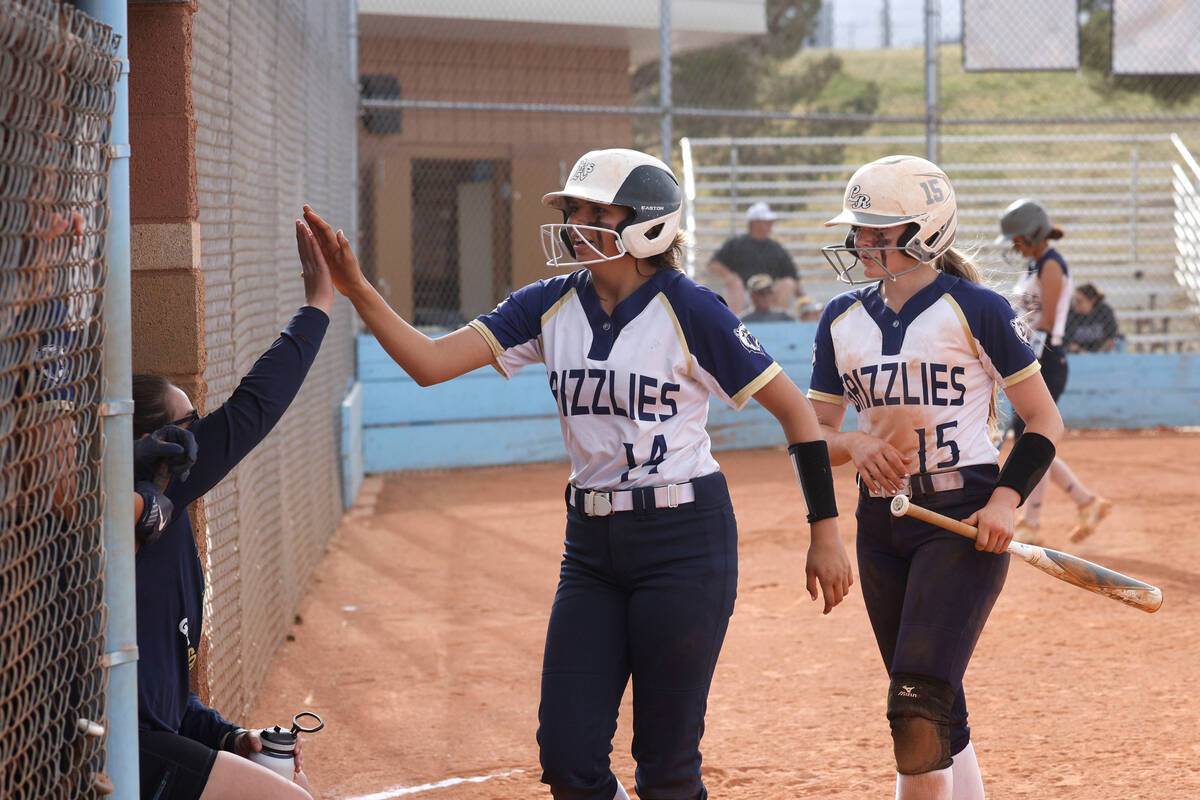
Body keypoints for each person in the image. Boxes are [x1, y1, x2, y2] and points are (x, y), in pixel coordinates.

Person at [299, 147, 853, 800]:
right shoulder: (547, 304)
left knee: (667, 766)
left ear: (646, 223)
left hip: (685, 542)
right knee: (567, 759)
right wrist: (357, 288)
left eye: (595, 211)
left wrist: (825, 533)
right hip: (590, 548)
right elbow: (428, 362)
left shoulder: (691, 308)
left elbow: (796, 414)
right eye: (573, 211)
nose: (575, 224)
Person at [811, 156, 1064, 800]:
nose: (859, 243)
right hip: (881, 526)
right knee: (934, 702)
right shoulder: (841, 318)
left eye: (878, 232)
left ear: (925, 232)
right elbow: (812, 435)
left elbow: (1042, 421)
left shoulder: (975, 308)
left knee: (915, 708)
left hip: (961, 519)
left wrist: (1006, 500)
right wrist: (854, 440)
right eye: (858, 231)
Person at [132, 219, 335, 800]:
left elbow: (171, 702)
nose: (199, 436)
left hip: (153, 741)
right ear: (151, 441)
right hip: (123, 751)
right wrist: (318, 303)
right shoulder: (131, 515)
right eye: (186, 424)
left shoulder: (169, 514)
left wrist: (233, 737)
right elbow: (253, 409)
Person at [995, 199, 1112, 544]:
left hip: (1045, 359)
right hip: (1032, 358)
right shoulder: (1033, 265)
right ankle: (1086, 502)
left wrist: (1024, 363)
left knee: (1033, 438)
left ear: (1033, 233)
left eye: (1018, 238)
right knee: (1032, 440)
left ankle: (1033, 523)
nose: (1014, 246)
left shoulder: (1051, 265)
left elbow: (1045, 323)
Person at [708, 201, 801, 316]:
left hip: (769, 296)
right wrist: (730, 276)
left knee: (788, 283)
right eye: (767, 222)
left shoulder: (776, 248)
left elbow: (792, 276)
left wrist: (804, 299)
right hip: (744, 295)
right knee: (734, 283)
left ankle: (775, 322)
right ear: (755, 223)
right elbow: (714, 264)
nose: (770, 225)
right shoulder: (736, 244)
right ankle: (735, 324)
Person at [1064, 283, 1119, 353]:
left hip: (1100, 352)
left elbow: (1111, 338)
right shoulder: (1070, 313)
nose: (1074, 304)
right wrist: (1080, 351)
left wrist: (1100, 353)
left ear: (1092, 301)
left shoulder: (1104, 311)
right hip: (1076, 354)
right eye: (1074, 300)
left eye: (1079, 301)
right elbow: (1067, 343)